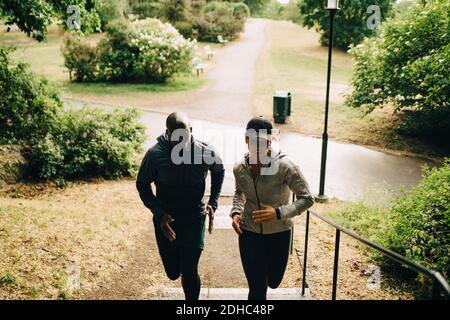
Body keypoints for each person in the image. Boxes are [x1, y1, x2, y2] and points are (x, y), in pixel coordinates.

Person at [136, 112, 225, 300]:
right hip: (167, 219)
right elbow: (142, 184)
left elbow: (219, 170)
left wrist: (213, 203)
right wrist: (159, 213)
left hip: (194, 216)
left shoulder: (205, 151)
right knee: (173, 272)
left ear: (191, 130)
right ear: (167, 133)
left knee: (190, 269)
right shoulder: (155, 155)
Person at [230, 116, 314, 300]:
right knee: (257, 288)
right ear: (246, 140)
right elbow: (239, 192)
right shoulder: (239, 167)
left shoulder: (285, 166)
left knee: (274, 281)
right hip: (249, 233)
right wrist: (236, 212)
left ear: (271, 140)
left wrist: (278, 213)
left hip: (279, 233)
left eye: (265, 142)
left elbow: (307, 198)